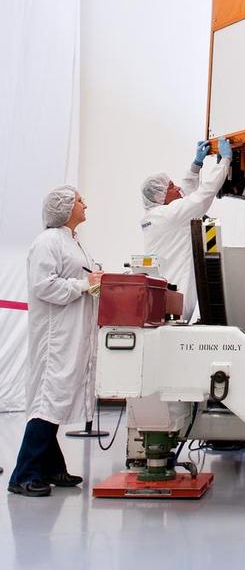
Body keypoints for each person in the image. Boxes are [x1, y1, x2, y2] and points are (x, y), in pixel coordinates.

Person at [8, 187, 101, 497]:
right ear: (65, 207)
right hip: (55, 337)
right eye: (79, 200)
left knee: (58, 397)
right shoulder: (47, 242)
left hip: (71, 331)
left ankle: (51, 467)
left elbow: (82, 281)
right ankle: (23, 475)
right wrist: (84, 284)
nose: (85, 203)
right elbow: (43, 285)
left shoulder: (72, 242)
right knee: (49, 399)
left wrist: (95, 283)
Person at [140, 138, 232, 320]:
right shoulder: (168, 215)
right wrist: (225, 162)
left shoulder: (156, 216)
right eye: (171, 186)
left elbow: (185, 198)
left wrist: (195, 166)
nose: (178, 188)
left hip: (164, 299)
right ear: (160, 197)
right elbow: (202, 196)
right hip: (174, 299)